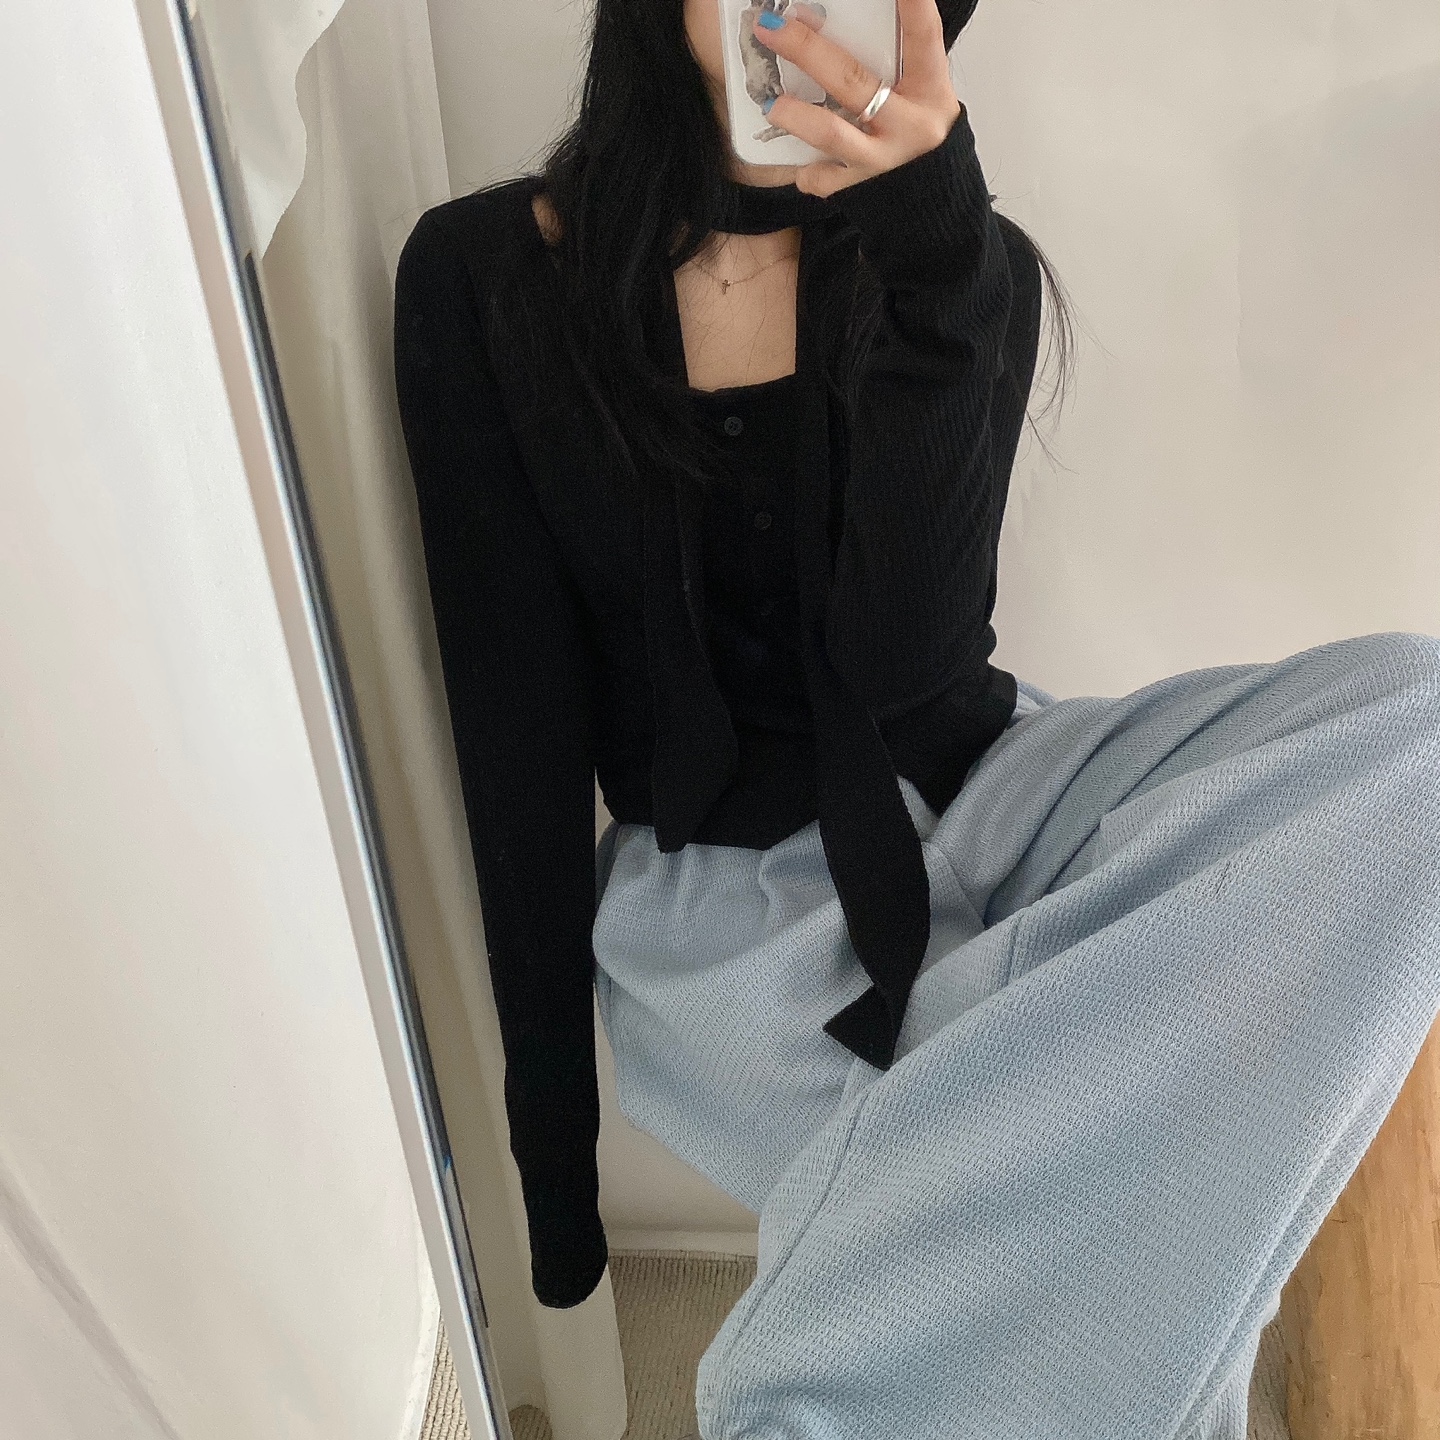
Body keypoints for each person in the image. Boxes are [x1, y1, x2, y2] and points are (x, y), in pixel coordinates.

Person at [391, 0, 1440, 1433]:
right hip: (725, 886)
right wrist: (555, 1189)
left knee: (1419, 726)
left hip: (1001, 780)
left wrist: (939, 265)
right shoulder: (485, 275)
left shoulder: (960, 258)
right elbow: (511, 735)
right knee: (1074, 1224)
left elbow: (904, 666)